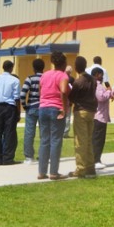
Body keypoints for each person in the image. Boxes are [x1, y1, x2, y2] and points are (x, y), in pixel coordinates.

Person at [38, 51, 70, 180]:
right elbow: (63, 91)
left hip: (43, 108)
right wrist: (64, 108)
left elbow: (41, 90)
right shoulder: (63, 75)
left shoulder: (45, 75)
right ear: (63, 63)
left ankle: (41, 172)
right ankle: (53, 172)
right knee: (56, 140)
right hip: (56, 108)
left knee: (44, 140)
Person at [68, 56, 97, 179]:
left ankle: (80, 169)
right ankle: (90, 167)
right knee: (89, 140)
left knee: (80, 141)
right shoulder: (93, 80)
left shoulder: (78, 82)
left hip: (81, 111)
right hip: (91, 111)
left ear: (76, 67)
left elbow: (72, 97)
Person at [0, 60, 20, 165]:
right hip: (10, 107)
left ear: (3, 67)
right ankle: (7, 158)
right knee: (9, 132)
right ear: (11, 68)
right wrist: (18, 112)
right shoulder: (15, 80)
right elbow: (17, 98)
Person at [20, 58, 44, 164]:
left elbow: (22, 94)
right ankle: (43, 155)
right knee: (44, 133)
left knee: (29, 133)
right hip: (43, 107)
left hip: (31, 107)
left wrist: (25, 106)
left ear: (33, 68)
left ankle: (29, 157)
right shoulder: (45, 78)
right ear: (43, 68)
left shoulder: (30, 78)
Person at [92, 67, 114, 169]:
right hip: (99, 116)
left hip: (101, 116)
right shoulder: (97, 85)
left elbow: (106, 95)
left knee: (99, 140)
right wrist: (109, 91)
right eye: (101, 75)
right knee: (98, 140)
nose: (102, 77)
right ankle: (96, 160)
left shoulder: (99, 85)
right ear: (96, 74)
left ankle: (97, 159)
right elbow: (101, 97)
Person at [63, 65, 74, 138]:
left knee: (62, 116)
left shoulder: (60, 77)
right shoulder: (71, 79)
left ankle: (61, 132)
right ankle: (65, 133)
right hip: (68, 100)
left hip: (61, 100)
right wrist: (71, 101)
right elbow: (72, 91)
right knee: (67, 117)